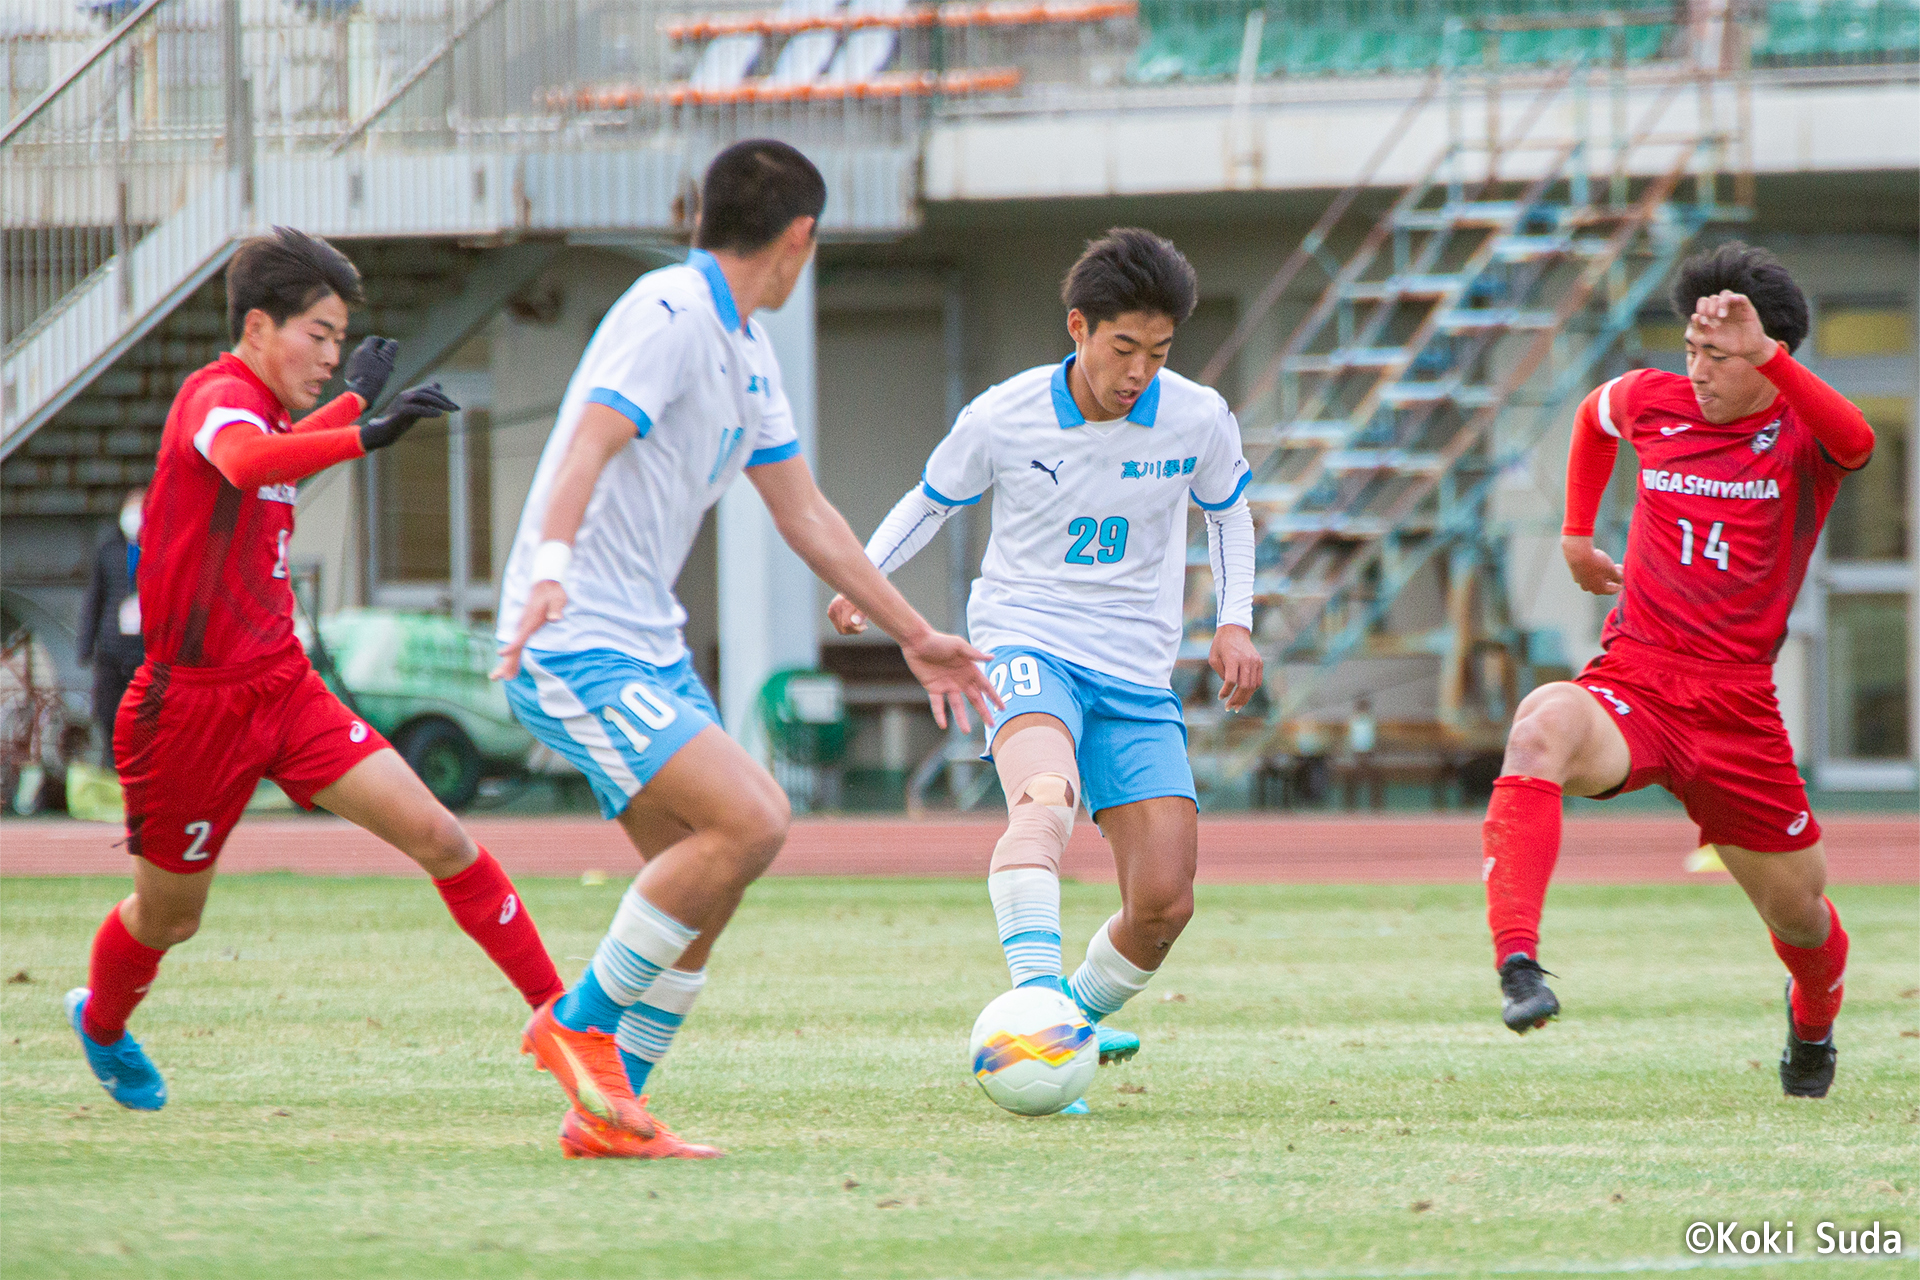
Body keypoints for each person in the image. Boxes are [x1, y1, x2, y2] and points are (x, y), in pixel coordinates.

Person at [492, 140, 999, 1159]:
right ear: (799, 236)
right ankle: (578, 1023)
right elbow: (587, 443)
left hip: (647, 647)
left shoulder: (747, 349)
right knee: (756, 818)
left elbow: (803, 513)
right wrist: (549, 567)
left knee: (707, 886)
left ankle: (611, 1112)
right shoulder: (669, 312)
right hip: (575, 639)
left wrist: (916, 633)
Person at [66, 227, 567, 1113]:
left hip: (285, 688)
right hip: (190, 711)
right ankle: (101, 1023)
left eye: (342, 340)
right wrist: (366, 431)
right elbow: (246, 459)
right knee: (171, 918)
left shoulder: (266, 411)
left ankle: (566, 1023)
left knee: (442, 837)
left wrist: (353, 409)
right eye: (320, 335)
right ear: (258, 327)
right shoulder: (217, 396)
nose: (333, 357)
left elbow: (276, 452)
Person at [829, 228, 1262, 1110]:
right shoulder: (1004, 415)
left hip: (1136, 670)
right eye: (1123, 347)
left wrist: (1234, 622)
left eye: (1159, 352)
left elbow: (1227, 513)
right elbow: (931, 502)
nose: (1139, 371)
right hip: (1026, 643)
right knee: (1044, 798)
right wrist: (864, 580)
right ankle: (1034, 1006)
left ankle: (1069, 1018)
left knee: (1165, 904)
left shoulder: (1198, 417)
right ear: (1078, 327)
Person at [1481, 243, 1874, 1098]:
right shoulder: (1653, 400)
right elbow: (1593, 418)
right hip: (1638, 681)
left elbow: (1860, 440)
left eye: (1719, 357)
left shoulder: (1804, 434)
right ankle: (1518, 963)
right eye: (1692, 350)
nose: (1697, 371)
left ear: (1770, 357)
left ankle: (1813, 1019)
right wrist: (1576, 534)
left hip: (1738, 712)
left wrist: (1764, 355)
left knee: (1803, 919)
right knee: (1541, 723)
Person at [77, 488, 146, 768]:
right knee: (108, 712)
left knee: (144, 716)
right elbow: (94, 600)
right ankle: (110, 764)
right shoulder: (109, 551)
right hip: (111, 648)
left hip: (146, 650)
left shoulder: (160, 549)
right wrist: (86, 645)